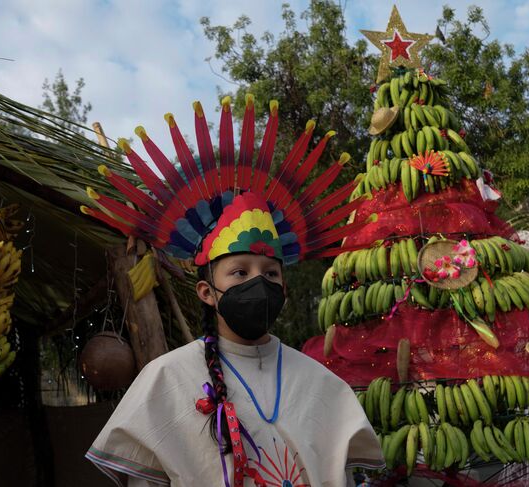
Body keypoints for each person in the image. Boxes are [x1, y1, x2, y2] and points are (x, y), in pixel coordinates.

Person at [84, 97, 384, 486]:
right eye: (239, 272)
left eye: (271, 274)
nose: (258, 283)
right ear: (208, 292)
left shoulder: (323, 384)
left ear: (285, 290)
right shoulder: (166, 379)